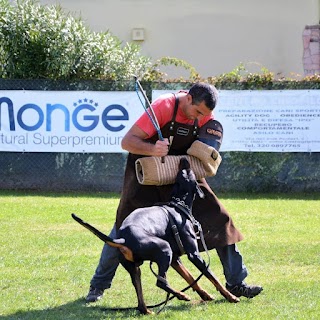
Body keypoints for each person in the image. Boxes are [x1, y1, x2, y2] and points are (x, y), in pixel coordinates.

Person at [85, 82, 263, 302]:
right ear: (188, 98)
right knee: (123, 229)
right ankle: (98, 286)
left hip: (181, 175)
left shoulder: (205, 115)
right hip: (146, 176)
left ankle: (236, 282)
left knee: (219, 219)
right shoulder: (164, 106)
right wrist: (153, 149)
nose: (199, 119)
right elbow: (127, 141)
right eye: (197, 112)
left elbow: (207, 144)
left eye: (204, 115)